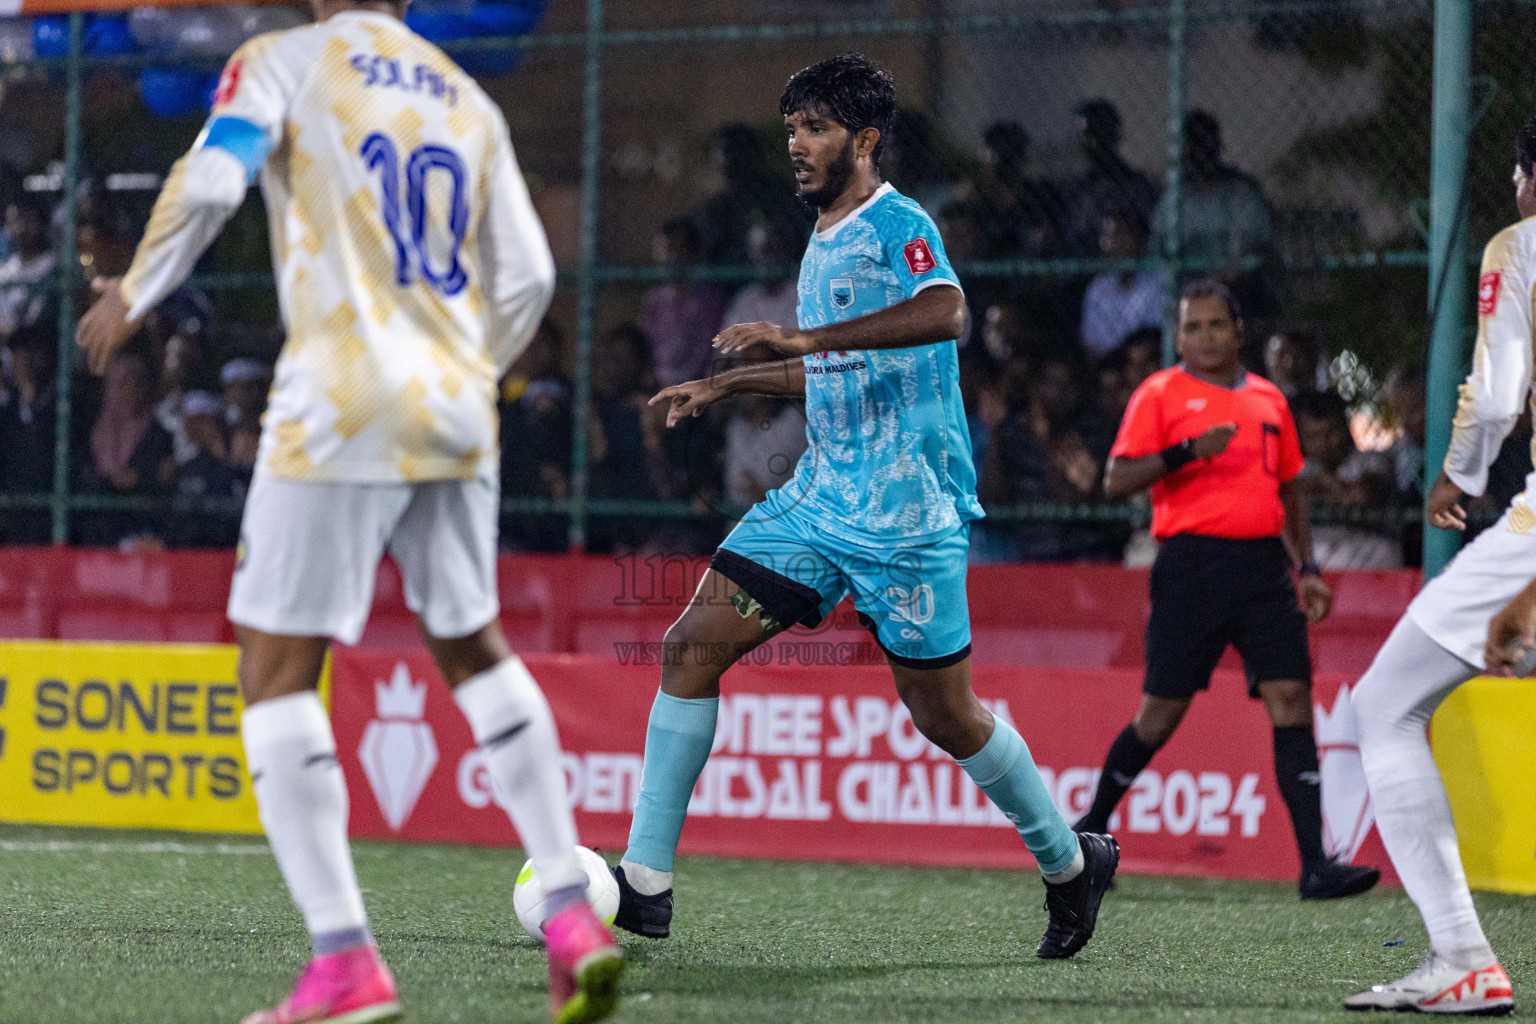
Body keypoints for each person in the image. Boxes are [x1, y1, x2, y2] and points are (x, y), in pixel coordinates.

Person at [74, 0, 625, 1020]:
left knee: (276, 669)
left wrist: (133, 292)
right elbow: (536, 273)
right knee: (473, 646)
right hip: (456, 398)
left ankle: (344, 961)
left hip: (337, 395)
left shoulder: (280, 60)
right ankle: (568, 901)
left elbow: (213, 178)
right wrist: (469, 368)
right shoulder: (466, 97)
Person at [614, 53, 1119, 960]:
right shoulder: (823, 233)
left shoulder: (900, 222)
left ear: (866, 138)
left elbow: (945, 312)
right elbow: (842, 364)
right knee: (689, 647)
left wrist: (801, 336)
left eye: (814, 128)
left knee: (945, 716)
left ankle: (1069, 861)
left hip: (908, 515)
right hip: (818, 499)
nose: (798, 147)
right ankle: (644, 886)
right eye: (792, 131)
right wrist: (733, 386)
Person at [1071, 278, 1380, 902]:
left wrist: (1309, 568)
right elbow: (1115, 479)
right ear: (1178, 334)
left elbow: (1290, 490)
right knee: (1159, 715)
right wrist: (1186, 451)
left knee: (1292, 699)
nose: (1203, 337)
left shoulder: (1270, 401)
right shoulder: (1159, 395)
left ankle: (1315, 865)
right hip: (1191, 566)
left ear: (1240, 331)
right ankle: (1085, 836)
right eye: (1191, 327)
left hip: (1265, 569)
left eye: (1215, 325)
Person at [1337, 119, 1536, 1017]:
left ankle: (1461, 955)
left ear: (1528, 176)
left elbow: (1495, 392)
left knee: (1384, 706)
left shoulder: (1522, 242)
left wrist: (1457, 473)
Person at [1155, 111, 1277, 320]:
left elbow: (1247, 256)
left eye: (1199, 146)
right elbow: (1157, 256)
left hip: (1235, 293)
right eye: (1186, 148)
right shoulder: (1172, 200)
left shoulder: (1240, 192)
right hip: (1181, 295)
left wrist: (1209, 285)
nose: (1192, 154)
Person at [1289, 390, 1399, 570]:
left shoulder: (1370, 460)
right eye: (1313, 436)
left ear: (1345, 428)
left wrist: (1324, 484)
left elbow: (1361, 495)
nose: (1324, 443)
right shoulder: (1295, 468)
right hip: (1311, 557)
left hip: (1365, 555)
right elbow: (1285, 495)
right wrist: (1330, 486)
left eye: (1331, 433)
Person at [641, 218, 729, 387]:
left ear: (693, 253)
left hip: (693, 384)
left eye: (678, 249)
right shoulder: (655, 300)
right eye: (665, 249)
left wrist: (678, 382)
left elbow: (706, 352)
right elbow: (645, 347)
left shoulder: (708, 299)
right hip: (655, 384)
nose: (671, 257)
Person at [1065, 99, 1158, 257]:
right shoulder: (1079, 187)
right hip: (1084, 271)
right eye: (1085, 136)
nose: (1091, 143)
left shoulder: (1137, 185)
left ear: (1113, 135)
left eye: (1097, 133)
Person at [1080, 208, 1166, 358]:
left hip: (1145, 362)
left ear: (1141, 241)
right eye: (1110, 237)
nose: (1117, 244)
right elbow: (1091, 345)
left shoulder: (1160, 283)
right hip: (1109, 366)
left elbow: (1157, 338)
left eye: (1123, 236)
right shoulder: (1097, 289)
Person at [0, 195, 57, 347]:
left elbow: (37, 321)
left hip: (39, 348)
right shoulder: (5, 271)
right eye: (13, 222)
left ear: (40, 222)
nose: (20, 228)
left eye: (26, 219)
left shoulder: (53, 266)